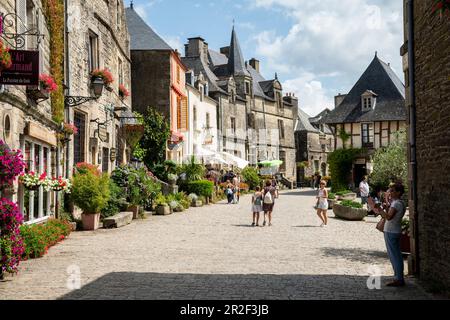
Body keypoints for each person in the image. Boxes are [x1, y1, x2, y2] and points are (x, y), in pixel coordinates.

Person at [374, 183, 407, 287]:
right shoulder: (400, 202)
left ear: (398, 192)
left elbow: (388, 217)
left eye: (393, 191)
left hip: (391, 231)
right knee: (396, 255)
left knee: (395, 256)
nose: (390, 192)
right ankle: (398, 277)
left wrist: (379, 209)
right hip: (394, 230)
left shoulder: (396, 204)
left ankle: (398, 279)